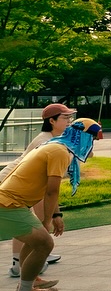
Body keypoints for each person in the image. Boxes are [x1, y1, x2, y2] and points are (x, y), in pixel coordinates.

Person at [1, 118, 101, 291]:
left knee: (34, 243)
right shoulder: (59, 151)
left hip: (12, 203)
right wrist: (47, 220)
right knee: (45, 244)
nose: (92, 143)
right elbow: (52, 190)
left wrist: (56, 215)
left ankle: (27, 284)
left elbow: (50, 188)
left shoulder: (56, 146)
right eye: (92, 138)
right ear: (82, 136)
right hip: (9, 204)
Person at [4, 102, 71, 279]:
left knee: (26, 225)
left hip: (15, 187)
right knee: (31, 225)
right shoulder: (46, 142)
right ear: (52, 121)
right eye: (65, 118)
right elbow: (48, 190)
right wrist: (51, 218)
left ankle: (19, 264)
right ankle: (22, 266)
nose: (69, 121)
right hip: (10, 186)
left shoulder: (53, 139)